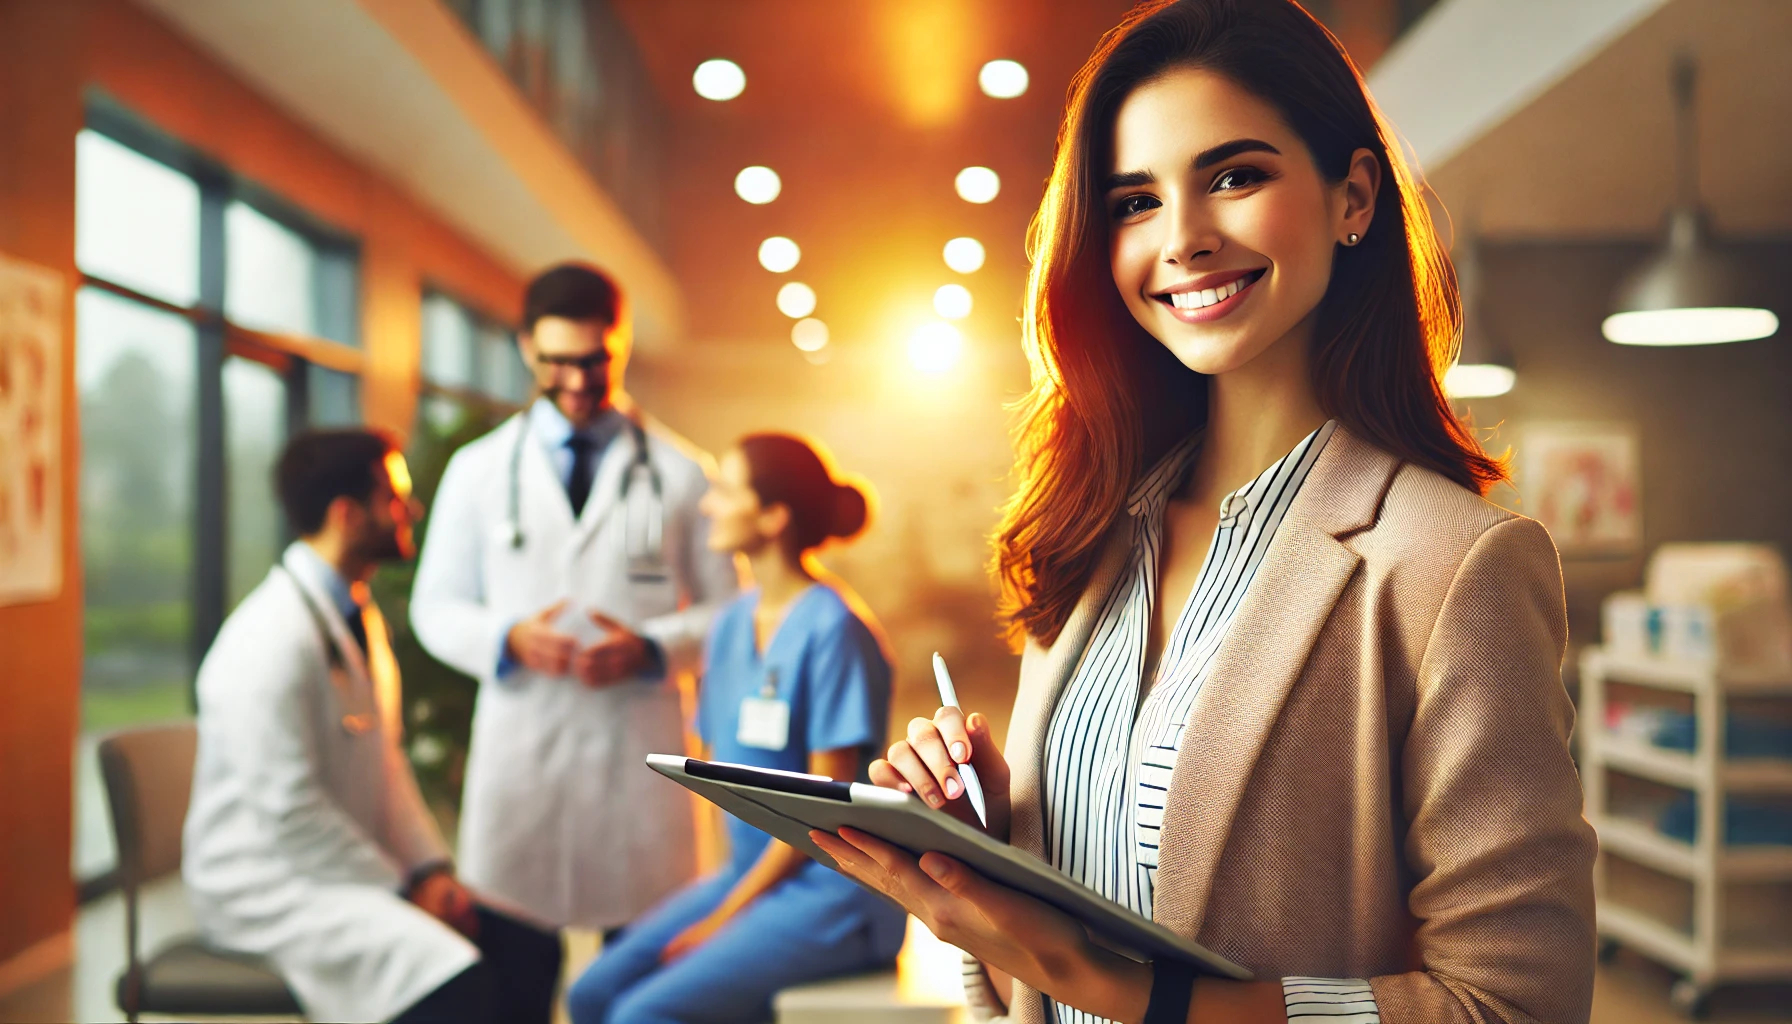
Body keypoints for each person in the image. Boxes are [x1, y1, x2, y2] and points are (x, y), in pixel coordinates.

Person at [811, 2, 1598, 1024]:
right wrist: (985, 849)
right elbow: (1030, 982)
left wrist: (1131, 994)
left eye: (1234, 176)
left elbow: (1513, 1005)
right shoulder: (1089, 533)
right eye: (1135, 201)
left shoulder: (1453, 564)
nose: (1181, 239)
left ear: (1351, 195)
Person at [184, 430, 562, 1024]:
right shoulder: (267, 642)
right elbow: (291, 815)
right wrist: (402, 890)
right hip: (269, 888)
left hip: (339, 871)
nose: (410, 510)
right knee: (461, 986)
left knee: (531, 950)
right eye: (395, 497)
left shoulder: (353, 613)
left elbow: (386, 762)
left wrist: (431, 871)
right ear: (346, 513)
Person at [410, 263, 738, 936]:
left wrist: (652, 647)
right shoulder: (478, 471)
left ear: (622, 342)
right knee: (516, 971)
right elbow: (434, 607)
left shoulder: (682, 473)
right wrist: (508, 638)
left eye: (596, 360)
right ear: (526, 347)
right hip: (524, 752)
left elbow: (733, 617)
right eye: (558, 362)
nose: (580, 381)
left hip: (638, 757)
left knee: (637, 977)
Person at [566, 433, 908, 1024]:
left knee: (640, 1016)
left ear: (774, 517)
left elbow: (823, 815)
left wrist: (721, 923)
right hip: (750, 877)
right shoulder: (728, 628)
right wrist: (720, 904)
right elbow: (718, 774)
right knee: (590, 995)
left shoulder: (835, 631)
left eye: (726, 491)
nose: (707, 505)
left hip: (832, 890)